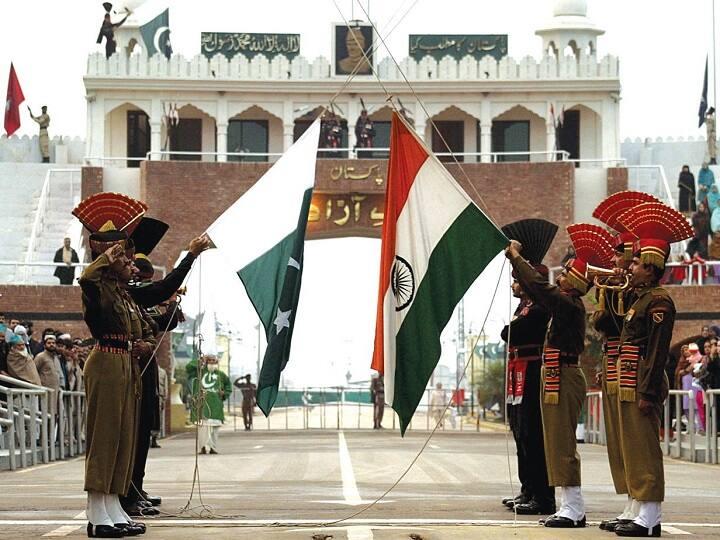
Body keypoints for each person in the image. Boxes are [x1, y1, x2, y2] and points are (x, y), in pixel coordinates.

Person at [506, 222, 612, 529]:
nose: (560, 276)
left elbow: (539, 287)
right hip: (556, 375)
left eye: (566, 274)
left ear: (574, 283)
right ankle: (568, 504)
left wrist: (516, 257)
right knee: (555, 442)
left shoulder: (567, 304)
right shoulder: (565, 304)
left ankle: (574, 507)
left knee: (563, 443)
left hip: (563, 375)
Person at [612, 200, 693, 538]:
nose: (630, 268)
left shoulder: (660, 301)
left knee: (645, 447)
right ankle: (640, 508)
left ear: (651, 266)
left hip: (643, 380)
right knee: (632, 445)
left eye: (637, 265)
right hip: (630, 378)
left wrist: (647, 390)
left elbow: (658, 351)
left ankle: (651, 515)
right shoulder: (641, 298)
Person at [73, 191, 152, 538]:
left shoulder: (121, 292)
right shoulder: (98, 287)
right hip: (105, 361)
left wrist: (144, 343)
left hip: (124, 363)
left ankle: (112, 506)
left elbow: (140, 328)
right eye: (122, 255)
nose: (128, 261)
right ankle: (96, 512)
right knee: (104, 438)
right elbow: (88, 277)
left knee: (122, 438)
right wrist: (106, 257)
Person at [499, 218, 557, 515]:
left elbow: (512, 333)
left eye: (517, 279)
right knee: (520, 434)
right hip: (518, 372)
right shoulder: (524, 307)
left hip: (533, 373)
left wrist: (510, 329)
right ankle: (527, 489)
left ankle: (542, 496)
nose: (513, 283)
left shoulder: (540, 306)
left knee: (533, 436)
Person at [188, 354, 231, 454]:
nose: (212, 363)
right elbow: (189, 367)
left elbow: (228, 387)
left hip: (216, 407)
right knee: (202, 429)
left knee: (214, 430)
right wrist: (200, 360)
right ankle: (202, 448)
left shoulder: (221, 375)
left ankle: (213, 448)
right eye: (210, 361)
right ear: (206, 362)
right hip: (202, 406)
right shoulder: (199, 372)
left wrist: (224, 393)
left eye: (214, 361)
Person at [34, 334, 65, 417]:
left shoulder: (55, 357)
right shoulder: (40, 357)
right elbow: (34, 372)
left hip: (55, 392)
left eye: (53, 343)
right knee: (45, 416)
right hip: (45, 392)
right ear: (44, 345)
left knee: (54, 417)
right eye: (49, 343)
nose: (51, 344)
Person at [152, 366, 168, 448]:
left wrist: (164, 399)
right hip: (149, 396)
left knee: (158, 418)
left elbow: (165, 386)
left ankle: (154, 439)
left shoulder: (162, 372)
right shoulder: (148, 369)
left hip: (159, 397)